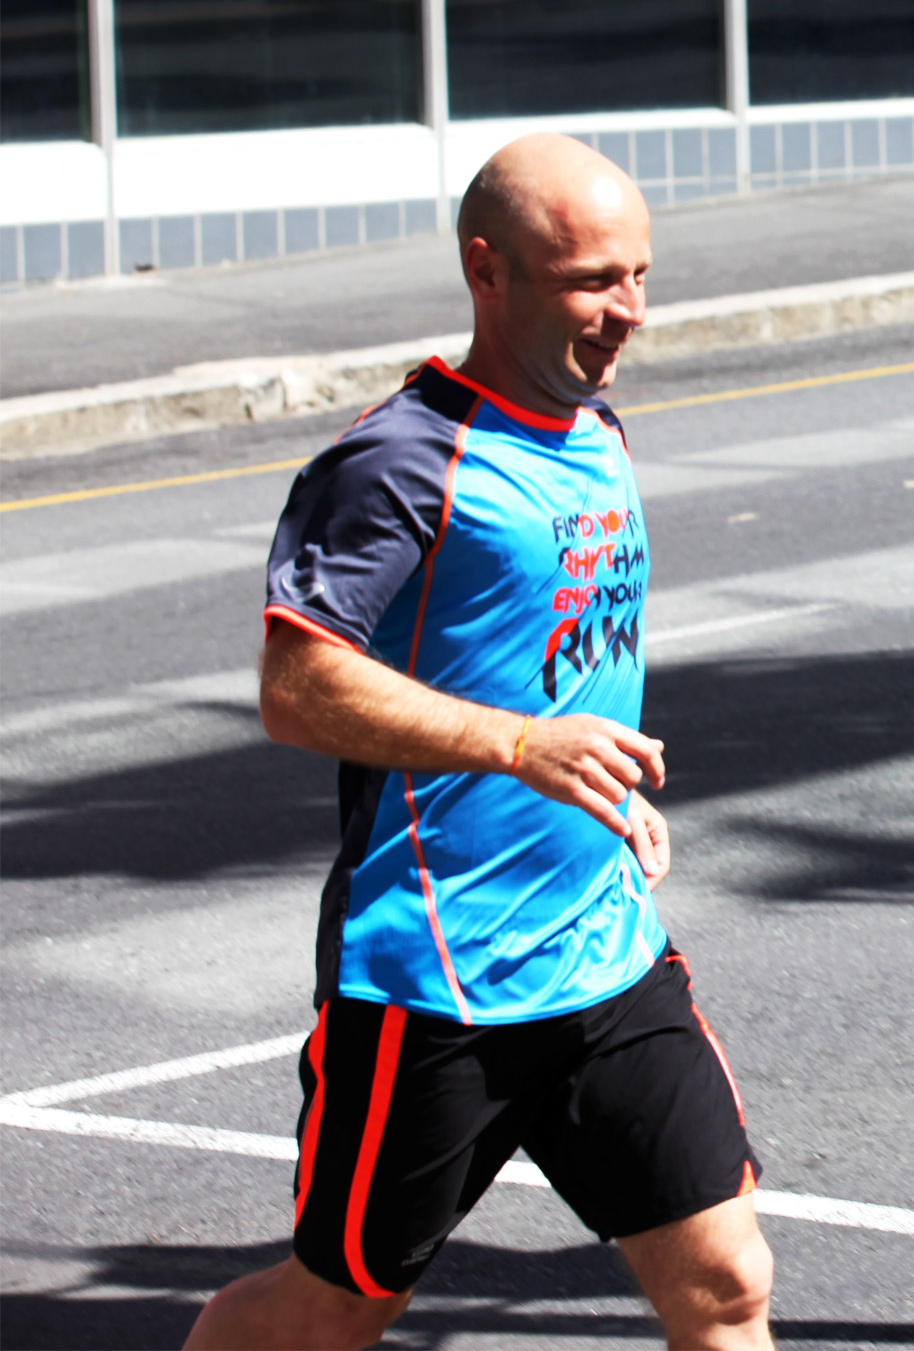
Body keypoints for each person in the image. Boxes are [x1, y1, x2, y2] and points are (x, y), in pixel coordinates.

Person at [189, 134, 772, 1350]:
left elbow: (555, 659)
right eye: (591, 280)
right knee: (332, 1311)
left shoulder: (595, 425)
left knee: (725, 1280)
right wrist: (518, 746)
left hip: (606, 954)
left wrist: (597, 787)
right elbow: (295, 687)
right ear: (487, 270)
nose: (629, 310)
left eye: (640, 274)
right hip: (434, 982)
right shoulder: (400, 460)